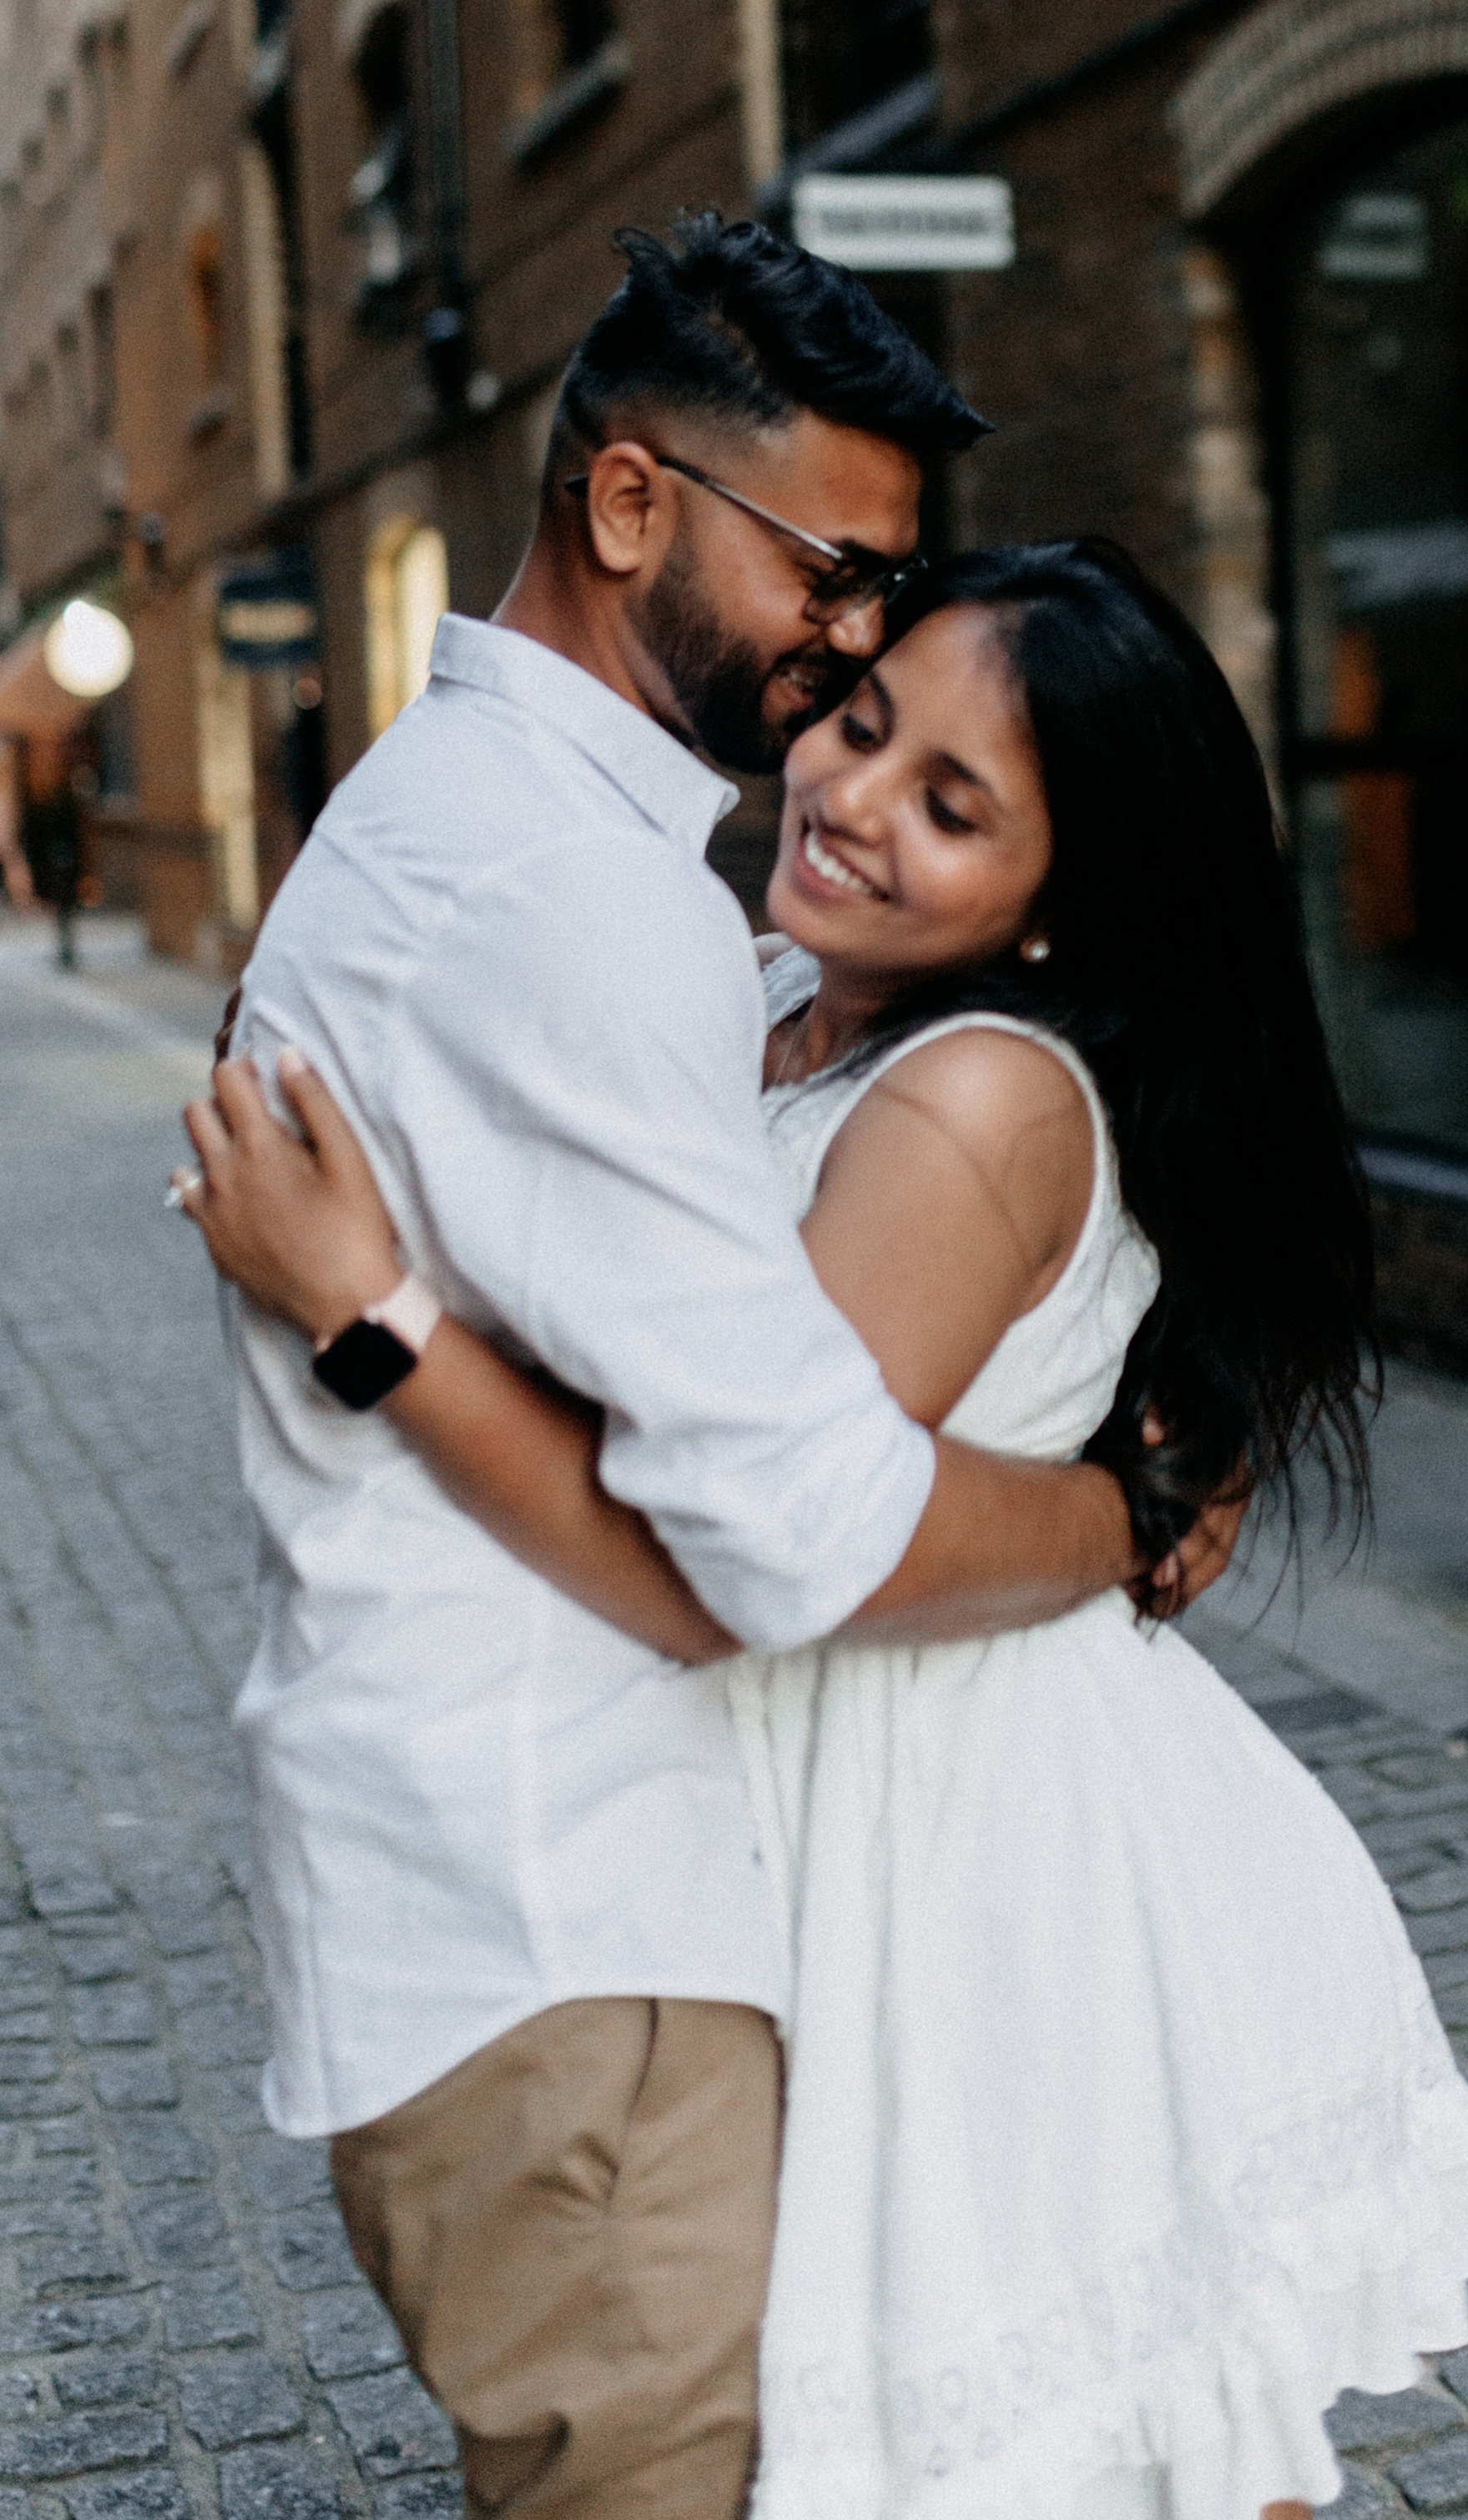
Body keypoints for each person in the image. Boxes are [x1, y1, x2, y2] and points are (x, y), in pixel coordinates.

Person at [179, 537, 1468, 2520]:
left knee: (1041, 2416)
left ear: (1063, 905)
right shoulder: (768, 999)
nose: (850, 800)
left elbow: (741, 1546)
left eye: (952, 804)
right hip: (848, 1790)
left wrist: (372, 1318)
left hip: (961, 1837)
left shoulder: (972, 1100)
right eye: (866, 725)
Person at [185, 220, 1245, 2520]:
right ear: (635, 505)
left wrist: (395, 1325)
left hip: (604, 1908)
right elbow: (782, 1537)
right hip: (559, 1926)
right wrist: (1125, 1514)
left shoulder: (537, 855)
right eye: (836, 583)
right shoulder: (588, 902)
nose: (851, 642)